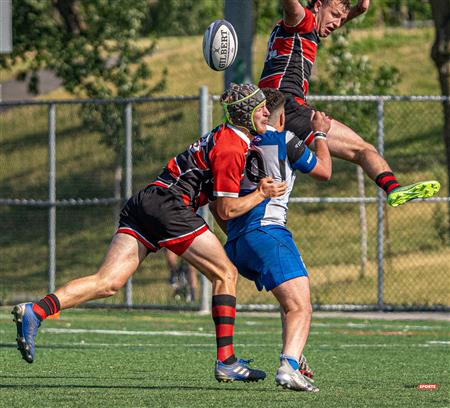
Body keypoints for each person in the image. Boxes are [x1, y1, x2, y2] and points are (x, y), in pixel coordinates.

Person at [12, 83, 288, 383]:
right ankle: (227, 362)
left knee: (108, 282)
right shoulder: (233, 146)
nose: (266, 112)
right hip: (170, 206)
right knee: (225, 275)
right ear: (246, 112)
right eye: (260, 107)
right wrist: (261, 193)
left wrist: (233, 238)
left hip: (146, 201)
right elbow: (226, 210)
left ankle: (36, 311)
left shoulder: (227, 138)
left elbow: (216, 204)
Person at [258, 0, 440, 206]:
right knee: (362, 149)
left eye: (341, 19)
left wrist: (358, 9)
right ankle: (393, 188)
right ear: (317, 5)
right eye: (334, 15)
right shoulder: (301, 20)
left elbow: (360, 9)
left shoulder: (301, 29)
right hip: (289, 108)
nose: (337, 24)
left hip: (265, 111)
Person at [210, 88, 332, 392]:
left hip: (237, 240)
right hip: (268, 232)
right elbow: (325, 171)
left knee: (291, 300)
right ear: (281, 117)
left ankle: (295, 355)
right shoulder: (284, 139)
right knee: (301, 306)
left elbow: (215, 205)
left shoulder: (234, 143)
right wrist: (320, 135)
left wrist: (239, 232)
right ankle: (289, 366)